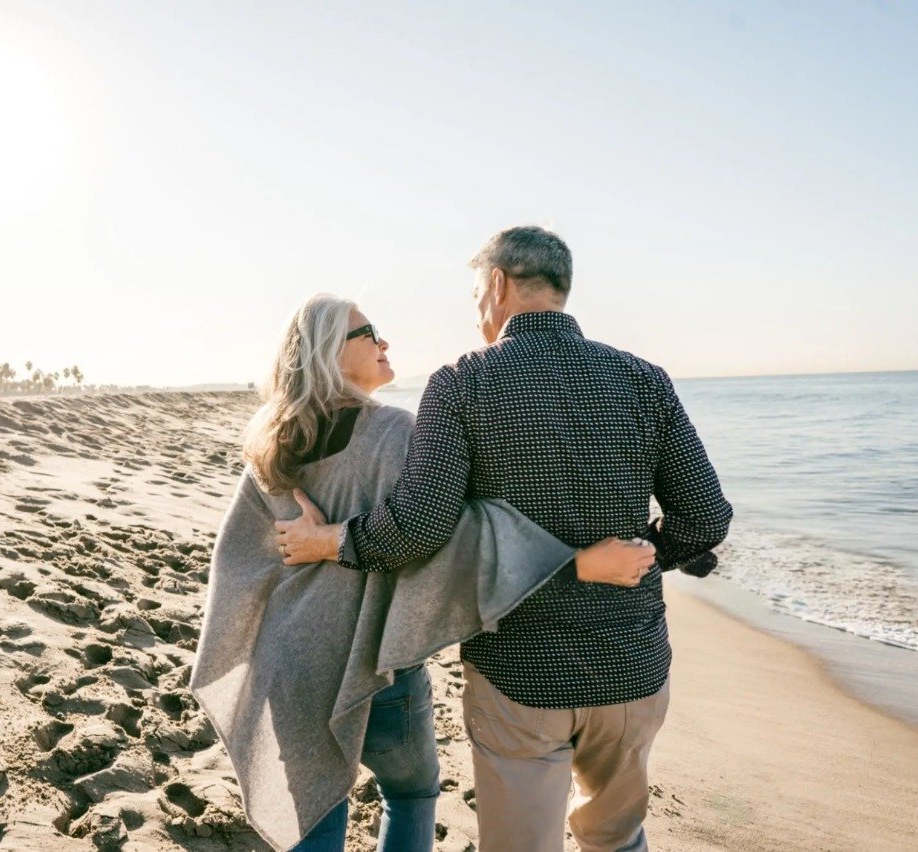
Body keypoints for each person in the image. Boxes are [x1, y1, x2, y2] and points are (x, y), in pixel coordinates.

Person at [277, 227, 734, 852]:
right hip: (633, 664)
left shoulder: (463, 382)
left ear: (497, 285)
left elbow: (418, 527)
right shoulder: (643, 379)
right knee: (618, 840)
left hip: (519, 671)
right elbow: (706, 518)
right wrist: (651, 552)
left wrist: (332, 540)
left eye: (474, 296)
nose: (476, 315)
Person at [190, 294, 657, 852]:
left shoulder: (270, 442)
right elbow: (450, 538)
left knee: (313, 811)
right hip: (378, 666)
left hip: (290, 665)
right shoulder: (394, 433)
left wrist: (301, 564)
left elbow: (240, 556)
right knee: (411, 794)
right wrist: (576, 561)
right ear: (328, 353)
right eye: (369, 333)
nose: (384, 342)